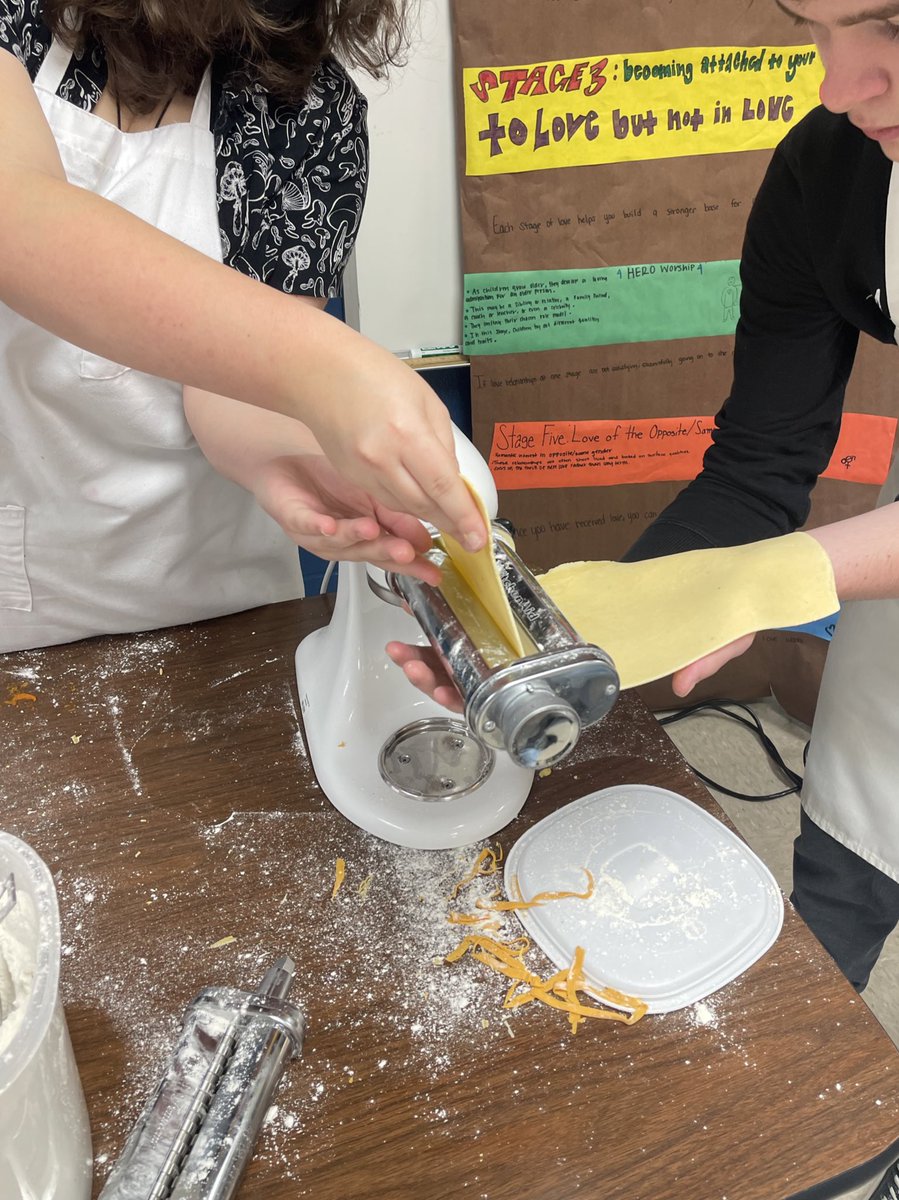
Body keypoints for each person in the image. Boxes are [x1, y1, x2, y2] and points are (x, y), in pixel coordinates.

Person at [390, 0, 899, 1007]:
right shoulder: (832, 172)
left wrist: (771, 579)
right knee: (820, 950)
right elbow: (759, 463)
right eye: (812, 30)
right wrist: (580, 633)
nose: (837, 88)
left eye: (889, 25)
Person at [0, 0, 485, 653]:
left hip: (202, 601)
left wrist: (295, 455)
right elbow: (19, 219)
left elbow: (231, 384)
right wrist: (328, 368)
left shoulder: (307, 112)